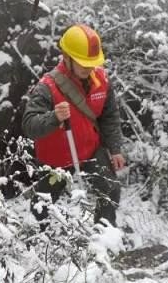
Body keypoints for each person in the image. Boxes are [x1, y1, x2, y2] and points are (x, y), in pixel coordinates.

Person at [22, 24, 125, 227]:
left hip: (89, 152)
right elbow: (29, 125)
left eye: (91, 62)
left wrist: (115, 149)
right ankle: (37, 243)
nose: (88, 67)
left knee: (110, 189)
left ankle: (103, 238)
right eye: (82, 62)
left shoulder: (102, 80)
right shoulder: (47, 87)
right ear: (66, 57)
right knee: (41, 206)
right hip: (56, 159)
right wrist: (54, 117)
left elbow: (109, 116)